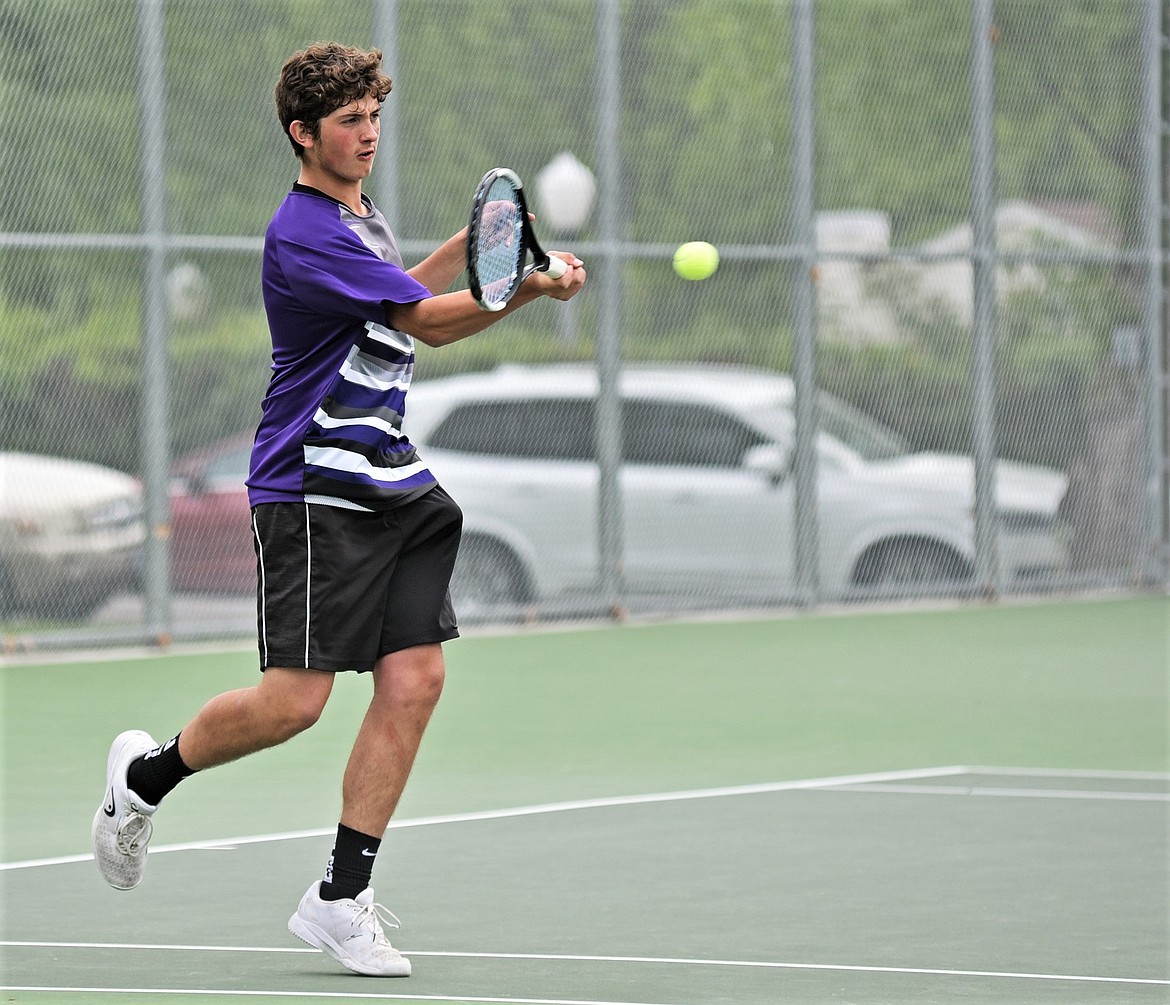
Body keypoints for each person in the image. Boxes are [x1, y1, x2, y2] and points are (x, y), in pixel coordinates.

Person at [92, 41, 586, 978]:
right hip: (313, 490)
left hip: (390, 481)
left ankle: (338, 896)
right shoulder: (306, 233)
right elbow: (426, 321)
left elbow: (415, 284)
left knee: (415, 681)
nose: (367, 137)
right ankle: (143, 778)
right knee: (294, 704)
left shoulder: (358, 217)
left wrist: (496, 257)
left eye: (373, 119)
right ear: (302, 133)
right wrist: (524, 285)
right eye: (349, 122)